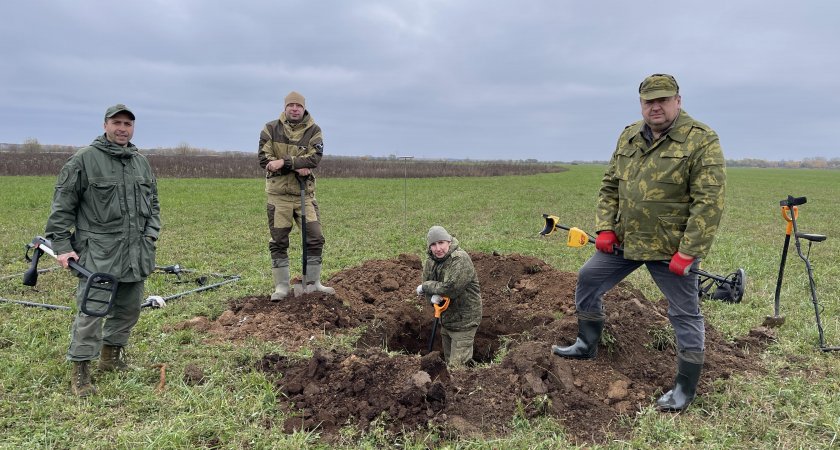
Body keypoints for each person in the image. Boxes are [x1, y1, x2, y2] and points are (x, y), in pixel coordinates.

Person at [551, 74, 726, 412]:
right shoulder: (629, 135)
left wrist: (689, 251)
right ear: (641, 103)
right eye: (649, 101)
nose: (655, 107)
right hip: (626, 242)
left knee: (685, 313)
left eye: (662, 100)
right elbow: (609, 186)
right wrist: (605, 228)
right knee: (588, 279)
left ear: (678, 100)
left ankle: (684, 388)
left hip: (671, 249)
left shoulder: (701, 140)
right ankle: (587, 344)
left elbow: (709, 202)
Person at [45, 104, 161, 397]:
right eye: (117, 123)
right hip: (99, 252)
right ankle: (81, 369)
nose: (123, 128)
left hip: (136, 251)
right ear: (105, 125)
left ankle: (111, 357)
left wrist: (150, 234)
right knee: (93, 310)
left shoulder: (140, 162)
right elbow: (62, 208)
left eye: (128, 124)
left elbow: (154, 204)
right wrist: (62, 246)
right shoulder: (83, 160)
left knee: (129, 308)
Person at [259, 91, 334, 300]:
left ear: (303, 108)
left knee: (315, 237)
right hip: (279, 196)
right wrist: (295, 165)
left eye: (298, 106)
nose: (294, 109)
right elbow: (265, 160)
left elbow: (314, 159)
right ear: (285, 108)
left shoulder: (314, 130)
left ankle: (313, 283)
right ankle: (282, 287)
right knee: (279, 241)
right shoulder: (270, 129)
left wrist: (283, 162)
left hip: (305, 195)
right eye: (291, 105)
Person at [417, 226, 482, 367]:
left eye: (441, 243)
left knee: (457, 368)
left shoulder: (459, 260)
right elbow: (428, 282)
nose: (438, 248)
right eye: (433, 244)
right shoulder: (431, 261)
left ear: (449, 242)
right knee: (448, 363)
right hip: (446, 320)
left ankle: (466, 382)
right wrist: (431, 297)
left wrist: (427, 287)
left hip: (464, 321)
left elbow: (450, 288)